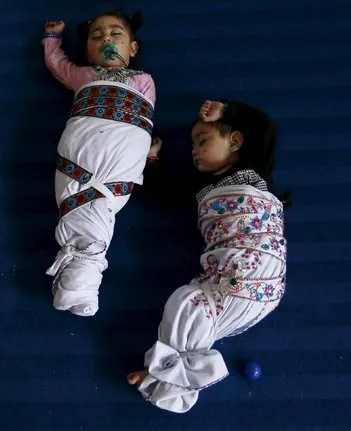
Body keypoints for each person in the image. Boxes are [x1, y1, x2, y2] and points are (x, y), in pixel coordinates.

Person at [127, 100, 290, 413]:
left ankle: (169, 371)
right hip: (233, 279)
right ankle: (175, 368)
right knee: (187, 303)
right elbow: (163, 196)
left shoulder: (254, 170)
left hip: (259, 269)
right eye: (192, 146)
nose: (194, 151)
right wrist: (153, 159)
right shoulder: (198, 187)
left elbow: (266, 127)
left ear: (235, 141)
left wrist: (227, 113)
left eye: (202, 141)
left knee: (189, 304)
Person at [42, 10, 156, 317]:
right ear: (89, 52)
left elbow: (142, 121)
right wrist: (52, 39)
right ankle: (82, 279)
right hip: (84, 145)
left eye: (116, 34)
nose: (106, 37)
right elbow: (59, 66)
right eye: (96, 36)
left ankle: (81, 277)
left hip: (121, 154)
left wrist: (146, 148)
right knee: (90, 210)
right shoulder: (85, 76)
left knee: (100, 207)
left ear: (133, 49)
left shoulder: (144, 81)